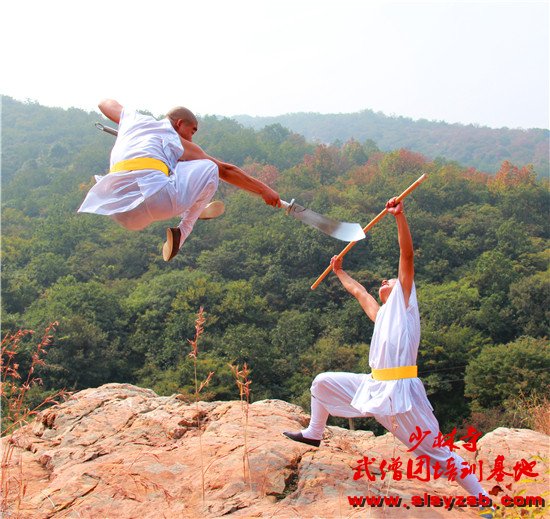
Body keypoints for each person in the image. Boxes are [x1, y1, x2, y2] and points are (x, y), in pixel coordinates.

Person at [283, 197, 494, 518]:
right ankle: (314, 433)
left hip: (402, 394)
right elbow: (360, 293)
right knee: (322, 383)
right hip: (373, 387)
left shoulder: (406, 307)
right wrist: (339, 271)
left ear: (403, 289)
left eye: (390, 280)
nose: (384, 281)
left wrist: (400, 217)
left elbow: (406, 256)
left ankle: (483, 501)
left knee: (435, 452)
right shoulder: (382, 315)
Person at [78, 99, 280, 261]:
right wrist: (264, 190)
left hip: (119, 210)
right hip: (156, 201)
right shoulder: (176, 139)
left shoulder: (135, 121)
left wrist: (126, 121)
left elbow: (104, 103)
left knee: (170, 167)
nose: (191, 139)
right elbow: (225, 170)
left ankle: (193, 205)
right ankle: (184, 230)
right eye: (192, 131)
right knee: (208, 168)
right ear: (179, 123)